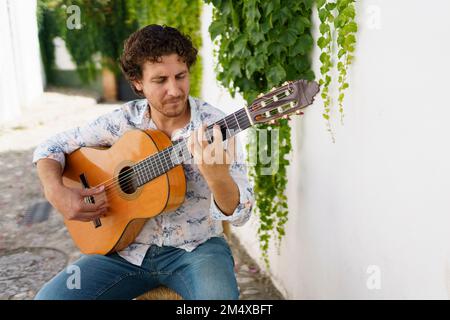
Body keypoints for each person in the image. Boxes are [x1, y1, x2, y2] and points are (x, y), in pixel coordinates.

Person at [32, 24, 254, 300]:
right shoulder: (123, 121)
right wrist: (56, 191)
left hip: (197, 249)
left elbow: (243, 213)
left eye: (180, 76)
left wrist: (217, 176)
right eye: (160, 80)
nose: (174, 90)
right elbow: (49, 147)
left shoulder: (215, 127)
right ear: (137, 82)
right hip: (125, 252)